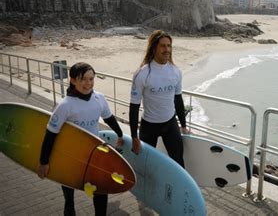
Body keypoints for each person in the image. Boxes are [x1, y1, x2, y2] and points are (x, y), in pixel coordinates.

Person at [36, 62, 124, 216]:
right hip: (71, 154)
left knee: (101, 188)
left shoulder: (99, 98)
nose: (88, 83)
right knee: (69, 190)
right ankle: (69, 206)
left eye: (91, 79)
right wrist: (44, 162)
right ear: (73, 80)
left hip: (93, 153)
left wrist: (120, 134)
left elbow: (108, 118)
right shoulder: (65, 105)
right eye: (83, 79)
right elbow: (50, 134)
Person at [129, 30, 189, 167]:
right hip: (149, 126)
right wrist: (134, 137)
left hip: (170, 123)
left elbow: (178, 99)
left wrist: (184, 126)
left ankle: (177, 188)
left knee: (178, 161)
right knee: (145, 163)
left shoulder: (176, 72)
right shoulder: (142, 74)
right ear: (154, 48)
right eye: (163, 46)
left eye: (169, 46)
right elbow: (134, 107)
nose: (167, 49)